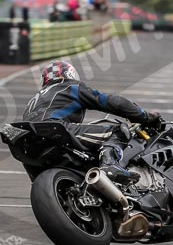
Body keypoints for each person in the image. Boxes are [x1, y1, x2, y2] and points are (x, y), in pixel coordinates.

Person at [22, 60, 161, 183]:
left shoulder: (34, 100)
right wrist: (145, 117)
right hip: (55, 130)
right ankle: (110, 165)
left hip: (27, 141)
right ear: (70, 74)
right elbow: (113, 102)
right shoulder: (71, 87)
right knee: (119, 131)